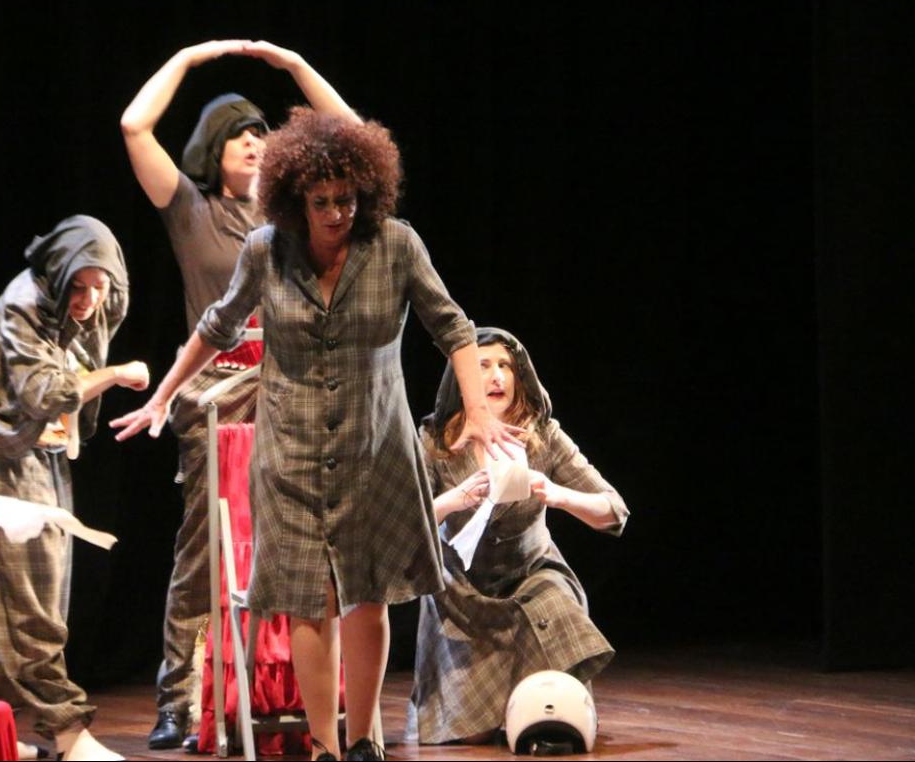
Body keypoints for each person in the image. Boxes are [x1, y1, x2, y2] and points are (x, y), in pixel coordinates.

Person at [112, 108, 513, 761]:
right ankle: (324, 745)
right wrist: (164, 395)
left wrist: (478, 406)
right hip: (291, 451)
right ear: (295, 198)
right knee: (309, 599)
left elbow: (453, 327)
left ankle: (363, 742)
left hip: (374, 447)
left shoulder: (397, 246)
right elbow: (217, 325)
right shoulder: (267, 250)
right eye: (322, 202)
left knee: (366, 592)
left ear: (366, 190)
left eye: (347, 199)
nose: (336, 214)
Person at [119, 39, 361, 750]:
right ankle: (179, 697)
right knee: (205, 548)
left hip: (295, 394)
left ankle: (296, 691)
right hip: (217, 397)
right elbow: (135, 126)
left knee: (311, 546)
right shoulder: (190, 210)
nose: (255, 146)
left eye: (264, 136)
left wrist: (292, 68)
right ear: (212, 149)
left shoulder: (293, 216)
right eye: (240, 136)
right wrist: (192, 59)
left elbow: (354, 134)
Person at [0, 215, 149, 761]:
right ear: (58, 276)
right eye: (77, 288)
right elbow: (42, 393)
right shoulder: (23, 303)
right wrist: (115, 373)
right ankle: (66, 731)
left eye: (98, 286)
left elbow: (105, 302)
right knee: (32, 592)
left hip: (45, 446)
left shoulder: (106, 290)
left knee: (30, 592)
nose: (88, 300)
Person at [407, 327, 629, 746]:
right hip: (462, 595)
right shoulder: (435, 441)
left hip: (532, 575)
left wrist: (556, 492)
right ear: (463, 380)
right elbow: (401, 522)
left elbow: (613, 511)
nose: (496, 376)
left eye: (505, 366)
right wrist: (452, 500)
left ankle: (553, 715)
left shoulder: (543, 436)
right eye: (483, 366)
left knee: (556, 603)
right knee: (470, 735)